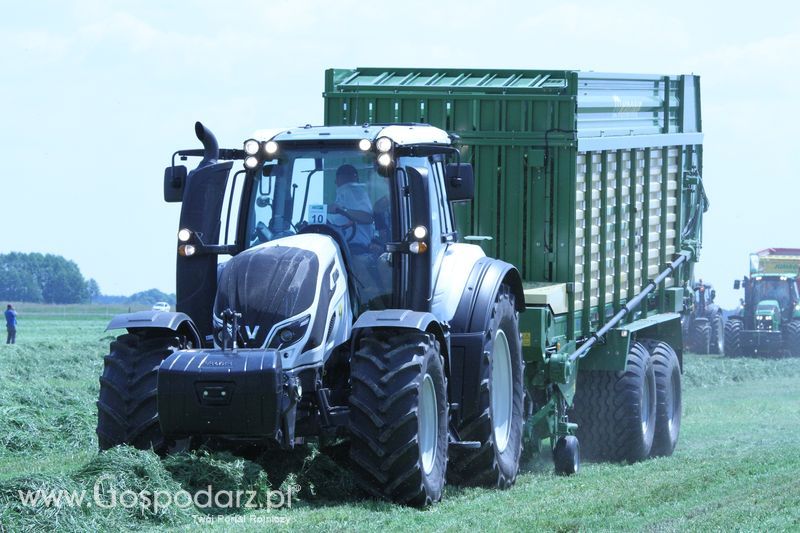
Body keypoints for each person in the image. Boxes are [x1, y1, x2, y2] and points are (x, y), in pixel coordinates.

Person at [327, 164, 375, 253]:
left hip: (355, 251)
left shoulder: (351, 190)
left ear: (338, 179)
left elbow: (367, 217)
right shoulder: (344, 194)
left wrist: (342, 210)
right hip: (345, 248)